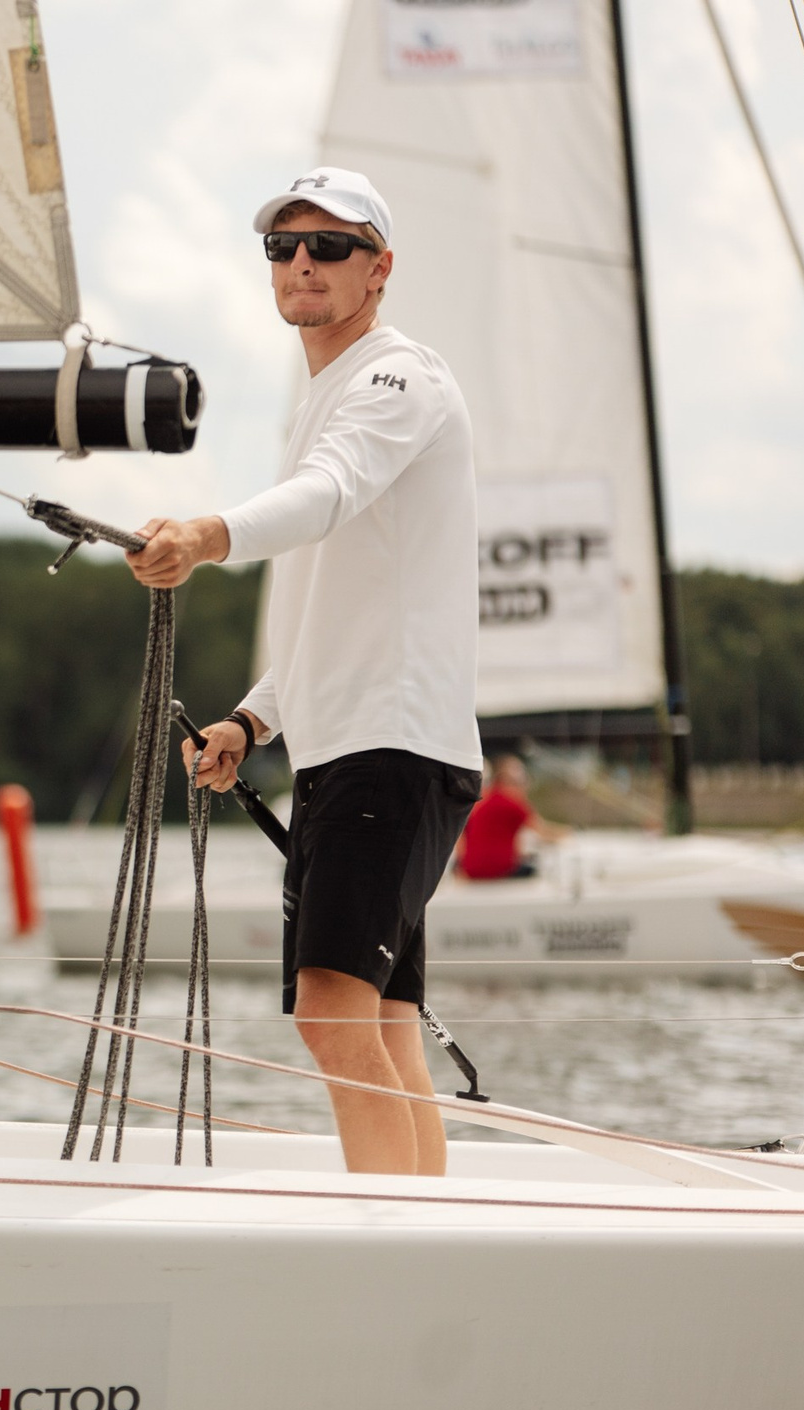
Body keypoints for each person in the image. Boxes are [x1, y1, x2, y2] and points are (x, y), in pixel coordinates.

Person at [123, 168, 481, 1177]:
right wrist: (251, 720)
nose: (302, 265)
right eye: (284, 247)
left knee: (329, 1019)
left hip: (389, 756)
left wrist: (201, 532)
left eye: (329, 246)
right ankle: (420, 1233)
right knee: (387, 1028)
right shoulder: (329, 390)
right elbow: (334, 599)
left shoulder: (394, 380)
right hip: (363, 753)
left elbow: (323, 498)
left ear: (379, 268)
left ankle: (386, 1246)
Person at [459, 754, 563, 881]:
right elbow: (542, 831)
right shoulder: (513, 803)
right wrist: (568, 834)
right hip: (499, 869)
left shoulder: (483, 799)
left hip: (470, 869)